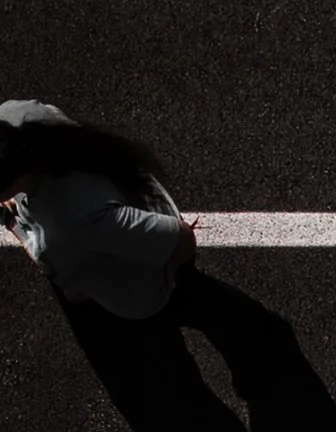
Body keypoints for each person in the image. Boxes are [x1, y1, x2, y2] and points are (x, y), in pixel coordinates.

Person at [0, 102, 192, 322]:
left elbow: (182, 239)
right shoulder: (16, 114)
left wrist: (172, 274)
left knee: (50, 255)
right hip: (120, 201)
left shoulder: (76, 219)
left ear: (15, 182)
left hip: (137, 293)